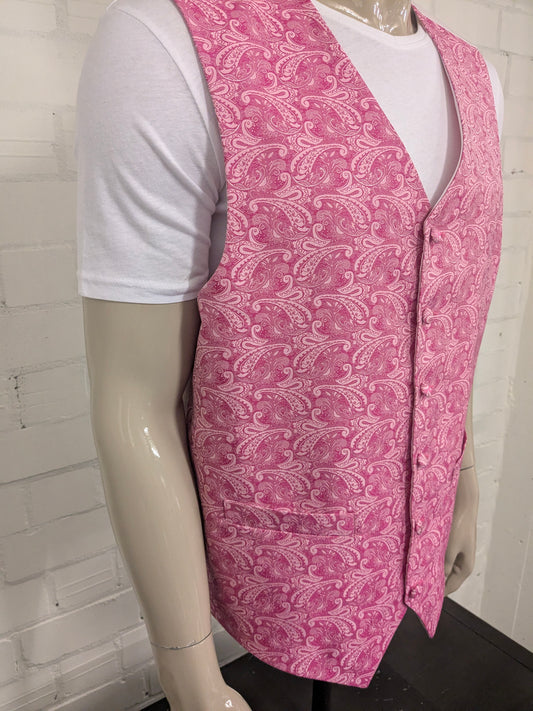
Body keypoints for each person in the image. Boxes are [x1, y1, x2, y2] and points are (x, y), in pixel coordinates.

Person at [76, 0, 504, 708]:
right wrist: (190, 678)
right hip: (282, 558)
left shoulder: (477, 78)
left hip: (410, 540)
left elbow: (446, 320)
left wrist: (461, 474)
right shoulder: (171, 44)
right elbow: (134, 401)